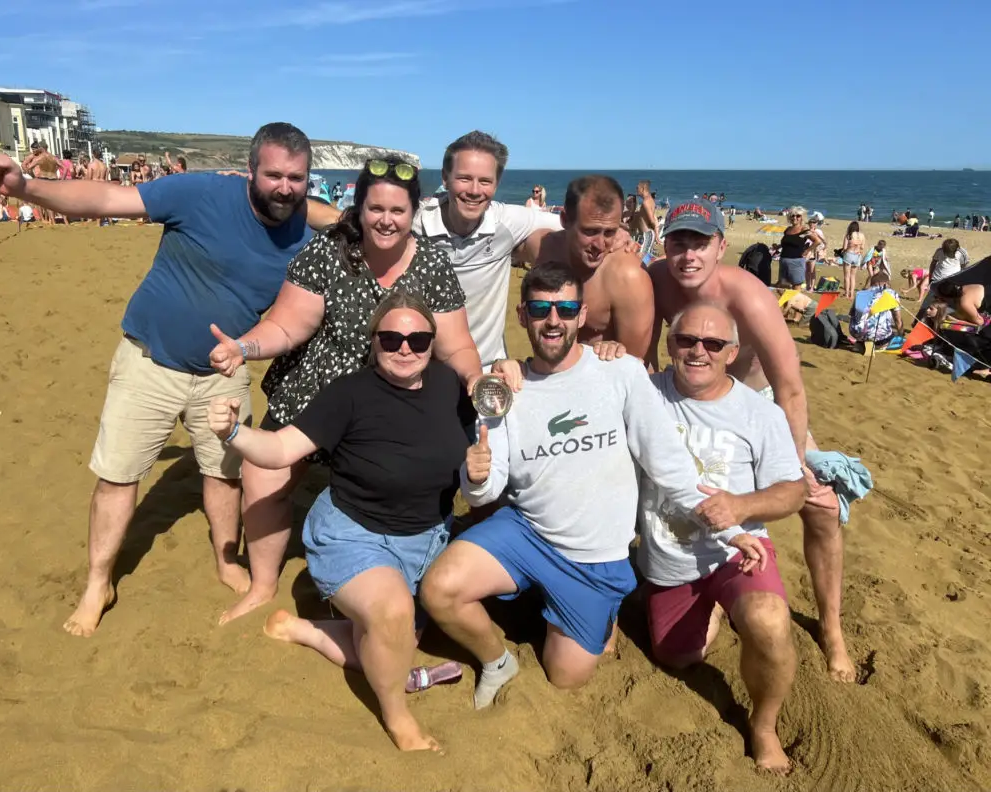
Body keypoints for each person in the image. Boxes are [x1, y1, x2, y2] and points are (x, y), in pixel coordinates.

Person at [0, 122, 341, 637]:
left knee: (224, 476)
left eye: (297, 178)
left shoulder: (307, 237)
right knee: (118, 477)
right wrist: (24, 188)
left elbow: (298, 304)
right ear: (249, 170)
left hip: (225, 372)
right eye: (274, 174)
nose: (285, 186)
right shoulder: (199, 193)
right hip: (148, 361)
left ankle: (225, 560)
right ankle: (97, 583)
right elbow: (104, 198)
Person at [207, 156, 490, 626]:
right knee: (263, 478)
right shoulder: (329, 251)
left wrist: (472, 377)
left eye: (398, 210)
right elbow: (288, 324)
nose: (386, 219)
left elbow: (456, 343)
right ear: (358, 209)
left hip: (390, 397)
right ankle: (262, 584)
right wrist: (246, 346)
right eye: (375, 208)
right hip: (317, 387)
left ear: (413, 212)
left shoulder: (434, 266)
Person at [421, 263, 718, 708]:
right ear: (522, 316)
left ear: (582, 316)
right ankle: (498, 659)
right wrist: (476, 476)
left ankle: (593, 611)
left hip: (594, 560)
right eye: (541, 308)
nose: (553, 319)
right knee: (439, 590)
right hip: (527, 534)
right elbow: (485, 490)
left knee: (565, 677)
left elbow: (667, 461)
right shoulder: (503, 388)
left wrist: (726, 524)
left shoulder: (620, 372)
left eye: (565, 308)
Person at [210, 293, 471, 751]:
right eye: (391, 338)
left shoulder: (450, 386)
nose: (405, 348)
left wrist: (508, 371)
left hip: (426, 539)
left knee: (397, 639)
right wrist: (234, 433)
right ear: (374, 342)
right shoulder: (348, 395)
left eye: (418, 338)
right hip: (353, 534)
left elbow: (500, 415)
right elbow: (280, 452)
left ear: (433, 342)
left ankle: (303, 629)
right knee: (392, 618)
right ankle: (397, 717)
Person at [646, 198, 855, 682]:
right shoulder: (656, 279)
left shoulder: (748, 296)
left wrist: (799, 458)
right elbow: (644, 353)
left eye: (701, 243)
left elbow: (789, 385)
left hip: (759, 405)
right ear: (665, 243)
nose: (689, 255)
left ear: (721, 246)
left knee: (821, 507)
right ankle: (708, 592)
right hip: (693, 399)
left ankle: (832, 627)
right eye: (679, 242)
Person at [639, 302, 806, 774]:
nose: (698, 352)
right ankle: (707, 608)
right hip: (669, 557)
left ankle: (764, 725)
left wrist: (741, 505)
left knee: (769, 622)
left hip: (740, 553)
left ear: (731, 353)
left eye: (712, 344)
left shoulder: (759, 413)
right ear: (669, 345)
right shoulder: (645, 394)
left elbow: (793, 492)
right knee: (677, 657)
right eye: (685, 341)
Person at [412, 131, 562, 367]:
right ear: (445, 178)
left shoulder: (505, 222)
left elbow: (576, 228)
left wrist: (617, 234)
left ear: (496, 183)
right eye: (464, 178)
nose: (474, 190)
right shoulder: (416, 224)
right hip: (419, 368)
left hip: (487, 370)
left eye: (485, 181)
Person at [531, 176, 656, 362]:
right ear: (564, 220)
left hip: (608, 380)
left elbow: (634, 365)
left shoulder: (627, 276)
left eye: (610, 232)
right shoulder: (542, 247)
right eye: (590, 231)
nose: (600, 245)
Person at [778, 206, 822, 289]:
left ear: (802, 218)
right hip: (784, 260)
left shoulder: (804, 230)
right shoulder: (788, 229)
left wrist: (807, 251)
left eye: (798, 216)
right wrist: (777, 246)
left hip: (796, 261)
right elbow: (788, 242)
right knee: (783, 286)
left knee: (796, 286)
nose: (795, 218)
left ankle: (794, 302)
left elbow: (817, 241)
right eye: (792, 215)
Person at [841, 221, 867, 300]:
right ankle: (851, 294)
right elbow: (862, 247)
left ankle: (846, 293)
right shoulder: (862, 235)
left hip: (849, 254)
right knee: (853, 276)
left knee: (847, 276)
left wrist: (841, 253)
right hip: (857, 255)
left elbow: (844, 248)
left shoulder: (848, 235)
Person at [636, 180, 659, 261]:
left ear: (643, 189)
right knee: (646, 258)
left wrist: (656, 234)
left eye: (637, 188)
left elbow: (652, 220)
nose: (636, 189)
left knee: (643, 260)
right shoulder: (650, 200)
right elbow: (654, 218)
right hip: (647, 234)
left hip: (647, 234)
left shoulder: (646, 202)